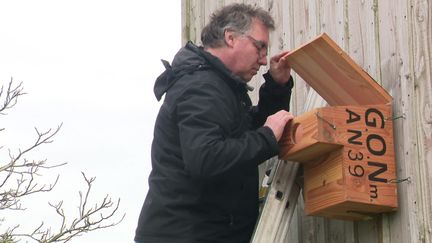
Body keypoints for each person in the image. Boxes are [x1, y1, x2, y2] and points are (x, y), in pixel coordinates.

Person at [135, 3, 294, 243]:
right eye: (259, 47)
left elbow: (245, 133)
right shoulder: (202, 88)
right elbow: (207, 159)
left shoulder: (218, 86)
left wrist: (277, 86)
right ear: (230, 37)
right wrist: (267, 136)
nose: (263, 59)